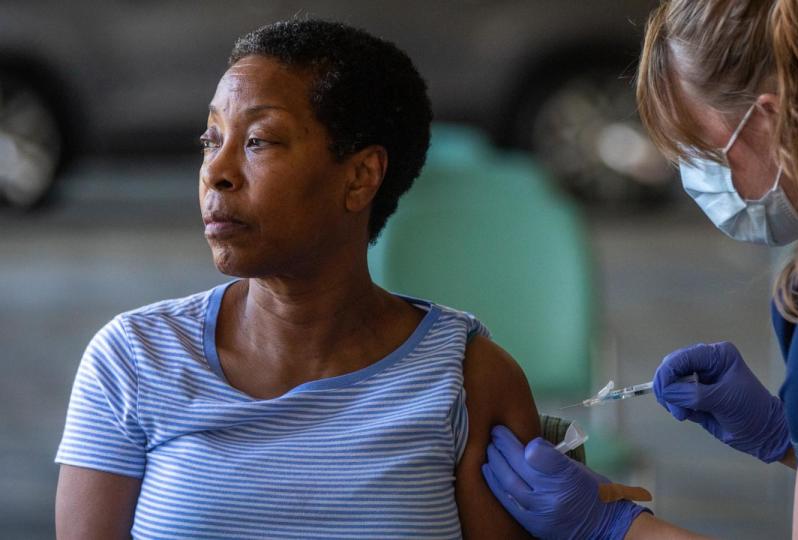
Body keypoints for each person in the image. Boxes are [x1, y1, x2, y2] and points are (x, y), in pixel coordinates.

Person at [482, 0, 798, 538]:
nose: (696, 179)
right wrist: (796, 436)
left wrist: (615, 527)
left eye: (702, 150)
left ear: (771, 117)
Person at [54, 19, 542, 539]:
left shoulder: (466, 379)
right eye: (210, 138)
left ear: (360, 177)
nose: (216, 170)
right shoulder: (134, 359)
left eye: (259, 141)